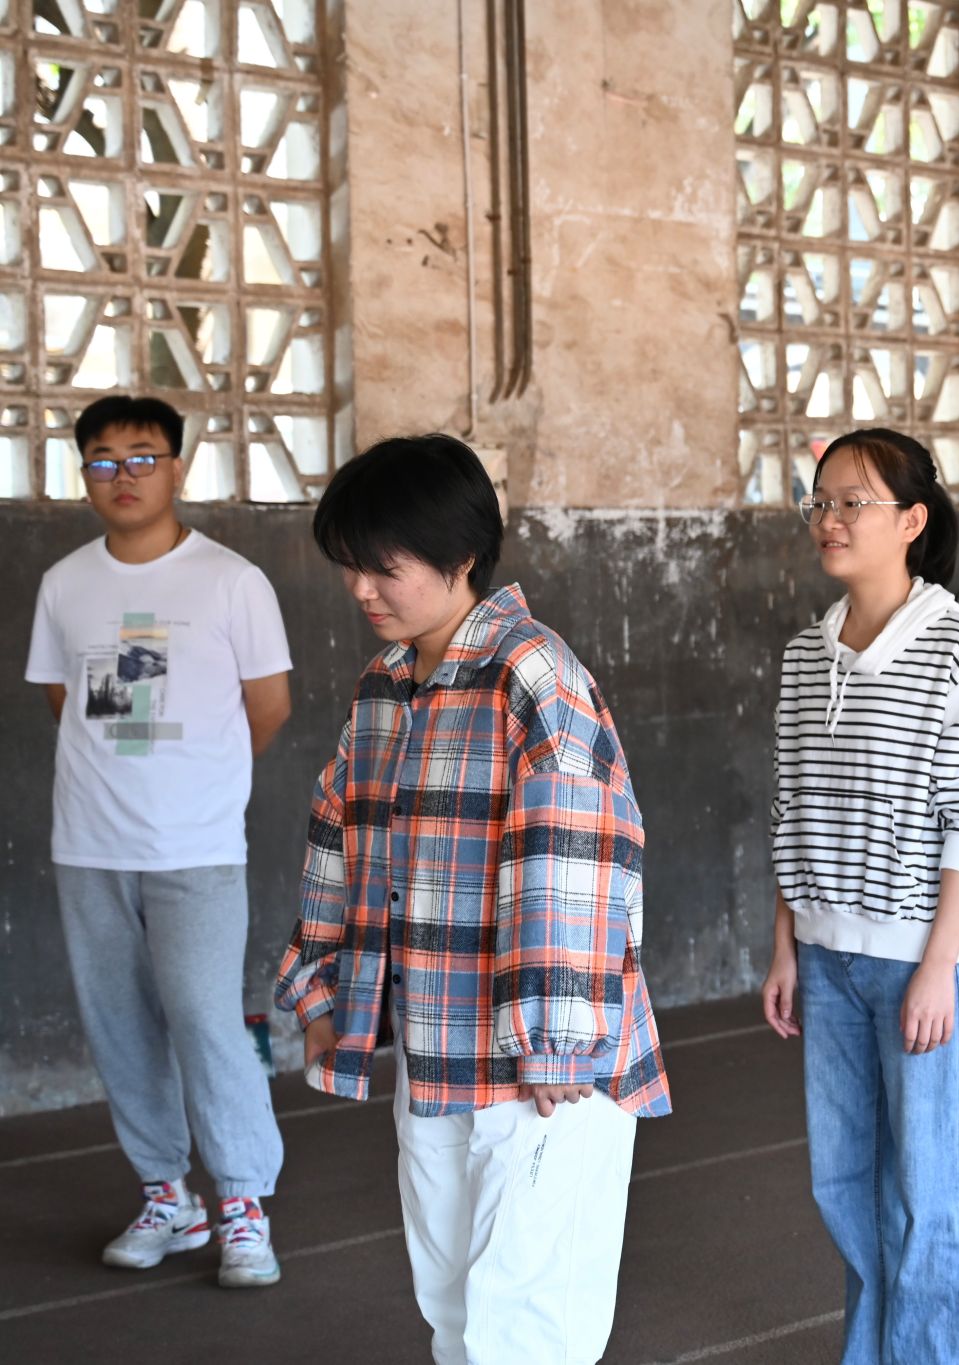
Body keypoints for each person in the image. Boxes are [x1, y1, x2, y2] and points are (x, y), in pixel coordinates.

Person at [275, 435, 669, 1365]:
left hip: (543, 1065)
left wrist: (553, 1038)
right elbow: (339, 836)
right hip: (436, 1047)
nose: (362, 589)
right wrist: (318, 991)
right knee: (452, 1305)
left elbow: (574, 853)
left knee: (529, 1324)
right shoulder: (386, 684)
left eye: (384, 567)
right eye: (349, 566)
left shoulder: (532, 673)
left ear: (460, 556)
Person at [762, 428, 959, 1365]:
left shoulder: (958, 649)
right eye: (820, 501)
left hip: (923, 962)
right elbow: (790, 805)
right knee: (848, 1186)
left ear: (912, 521)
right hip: (828, 958)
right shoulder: (805, 654)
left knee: (936, 1196)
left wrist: (941, 964)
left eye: (853, 502)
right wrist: (786, 944)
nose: (829, 519)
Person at [25, 395, 291, 1288]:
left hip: (196, 845)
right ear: (85, 476)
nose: (123, 474)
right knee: (120, 1026)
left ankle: (243, 1203)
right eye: (102, 459)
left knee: (205, 1020)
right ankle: (167, 1197)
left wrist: (196, 781)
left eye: (142, 456)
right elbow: (67, 703)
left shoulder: (231, 580)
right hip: (90, 844)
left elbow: (268, 706)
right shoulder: (64, 583)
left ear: (177, 466)